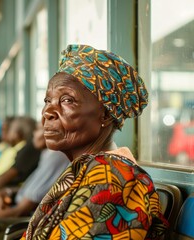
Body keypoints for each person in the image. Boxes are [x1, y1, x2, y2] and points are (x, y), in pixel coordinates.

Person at [19, 44, 168, 240]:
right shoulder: (86, 170)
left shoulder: (113, 178)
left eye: (67, 100)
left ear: (105, 115)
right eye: (48, 101)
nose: (47, 112)